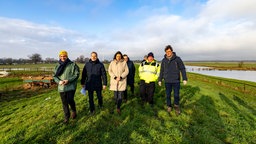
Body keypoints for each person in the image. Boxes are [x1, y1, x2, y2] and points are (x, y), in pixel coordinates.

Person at [158, 45, 187, 115]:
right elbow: (161, 70)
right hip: (167, 81)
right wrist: (160, 80)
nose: (168, 53)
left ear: (172, 51)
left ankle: (176, 107)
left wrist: (184, 78)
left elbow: (182, 68)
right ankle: (169, 106)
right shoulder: (164, 60)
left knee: (176, 95)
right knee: (168, 95)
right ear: (165, 52)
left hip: (176, 80)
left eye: (169, 51)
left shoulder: (177, 59)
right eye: (167, 51)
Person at [53, 50, 80, 124]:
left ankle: (73, 110)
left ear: (67, 56)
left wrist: (68, 80)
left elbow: (76, 74)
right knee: (64, 103)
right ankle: (66, 117)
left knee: (70, 100)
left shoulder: (72, 64)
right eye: (61, 56)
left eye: (64, 56)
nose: (62, 57)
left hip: (71, 86)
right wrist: (59, 81)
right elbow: (54, 76)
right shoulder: (57, 65)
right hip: (61, 87)